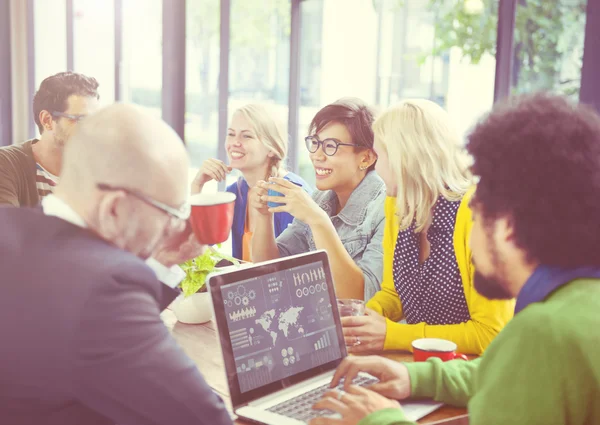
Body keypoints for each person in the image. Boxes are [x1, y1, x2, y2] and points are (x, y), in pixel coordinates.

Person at [309, 94, 600, 425]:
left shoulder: (543, 334)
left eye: (479, 209)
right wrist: (418, 378)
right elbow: (499, 372)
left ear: (505, 225)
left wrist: (381, 419)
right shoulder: (576, 313)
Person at [0, 103, 233, 425]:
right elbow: (205, 419)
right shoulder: (101, 291)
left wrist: (162, 259)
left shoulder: (11, 228)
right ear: (114, 209)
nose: (176, 226)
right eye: (170, 212)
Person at [342, 99, 513, 355]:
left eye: (380, 156)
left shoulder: (478, 214)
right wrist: (365, 319)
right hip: (421, 368)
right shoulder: (396, 204)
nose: (375, 167)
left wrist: (393, 335)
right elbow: (394, 293)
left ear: (406, 159)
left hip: (471, 377)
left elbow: (490, 334)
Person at [251, 98, 386, 300]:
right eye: (315, 143)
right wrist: (263, 215)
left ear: (366, 158)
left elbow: (362, 298)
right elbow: (271, 270)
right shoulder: (320, 198)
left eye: (331, 146)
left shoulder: (386, 209)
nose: (316, 155)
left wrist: (318, 221)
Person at [191, 103, 311, 261]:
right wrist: (196, 187)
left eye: (246, 136)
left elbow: (286, 269)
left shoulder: (292, 194)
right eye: (231, 134)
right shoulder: (235, 192)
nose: (235, 142)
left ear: (271, 148)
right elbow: (199, 248)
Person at [0, 71, 100, 206]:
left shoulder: (99, 168)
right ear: (47, 120)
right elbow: (7, 225)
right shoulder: (6, 163)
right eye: (81, 120)